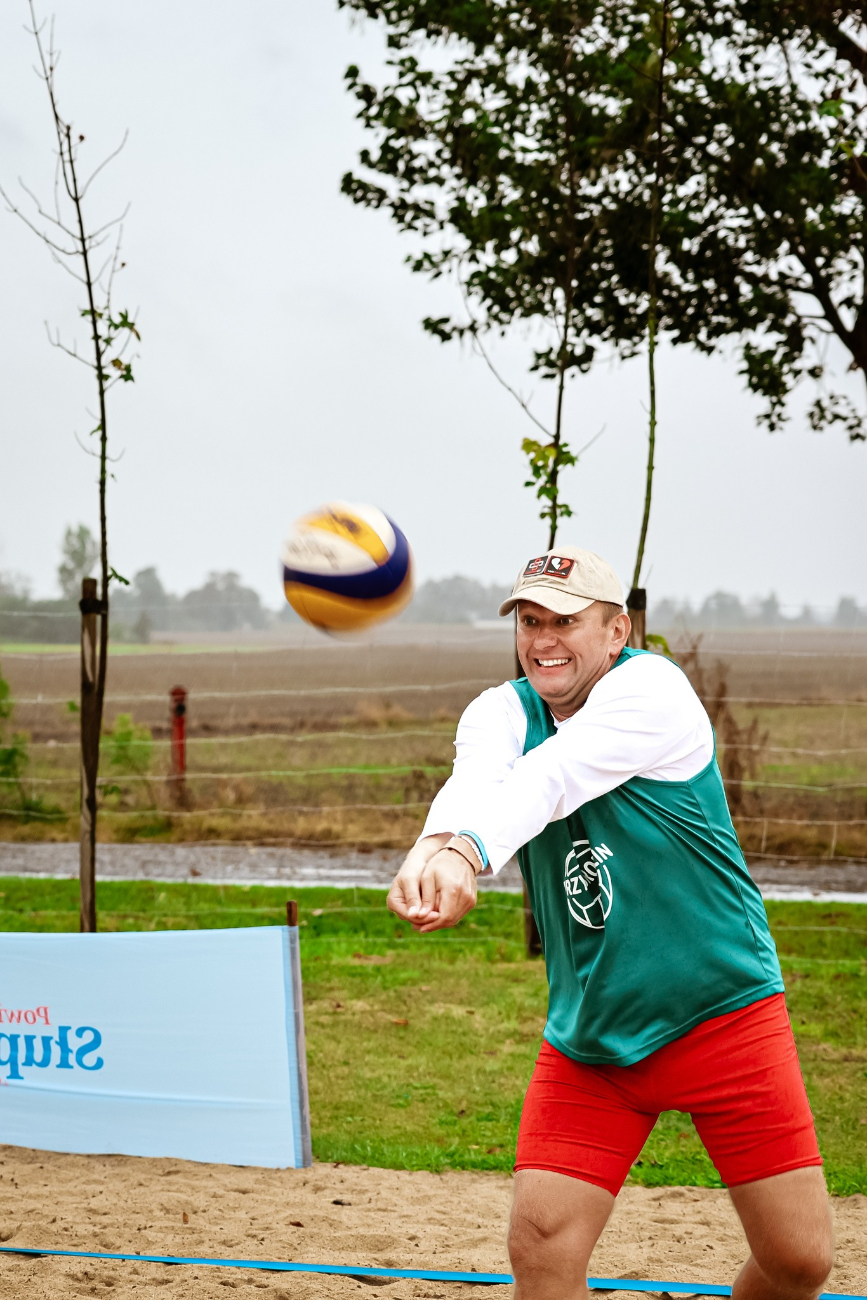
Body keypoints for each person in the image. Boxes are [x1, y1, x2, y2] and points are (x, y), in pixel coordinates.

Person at [387, 545, 833, 1300]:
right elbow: (477, 781)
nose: (542, 639)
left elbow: (549, 776)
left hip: (722, 1012)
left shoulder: (651, 691)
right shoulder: (499, 709)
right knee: (541, 1240)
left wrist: (465, 851)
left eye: (565, 620)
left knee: (798, 1262)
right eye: (529, 620)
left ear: (616, 629)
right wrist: (432, 850)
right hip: (592, 1031)